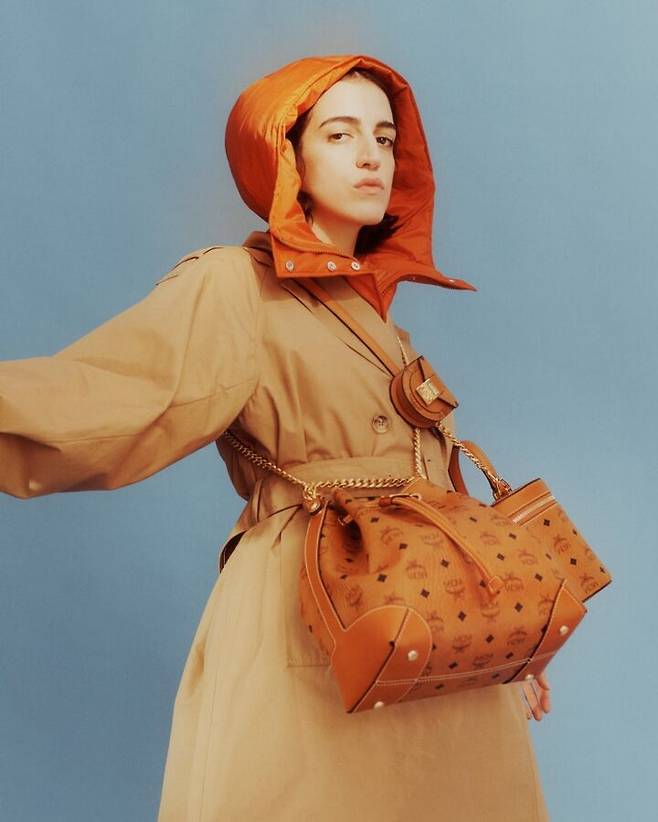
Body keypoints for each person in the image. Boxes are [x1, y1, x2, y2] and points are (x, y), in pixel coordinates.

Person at [0, 54, 552, 820]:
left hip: (429, 644)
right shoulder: (236, 285)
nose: (370, 156)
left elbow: (436, 504)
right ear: (286, 157)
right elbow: (106, 397)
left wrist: (501, 637)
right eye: (339, 134)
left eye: (385, 138)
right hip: (313, 629)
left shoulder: (387, 332)